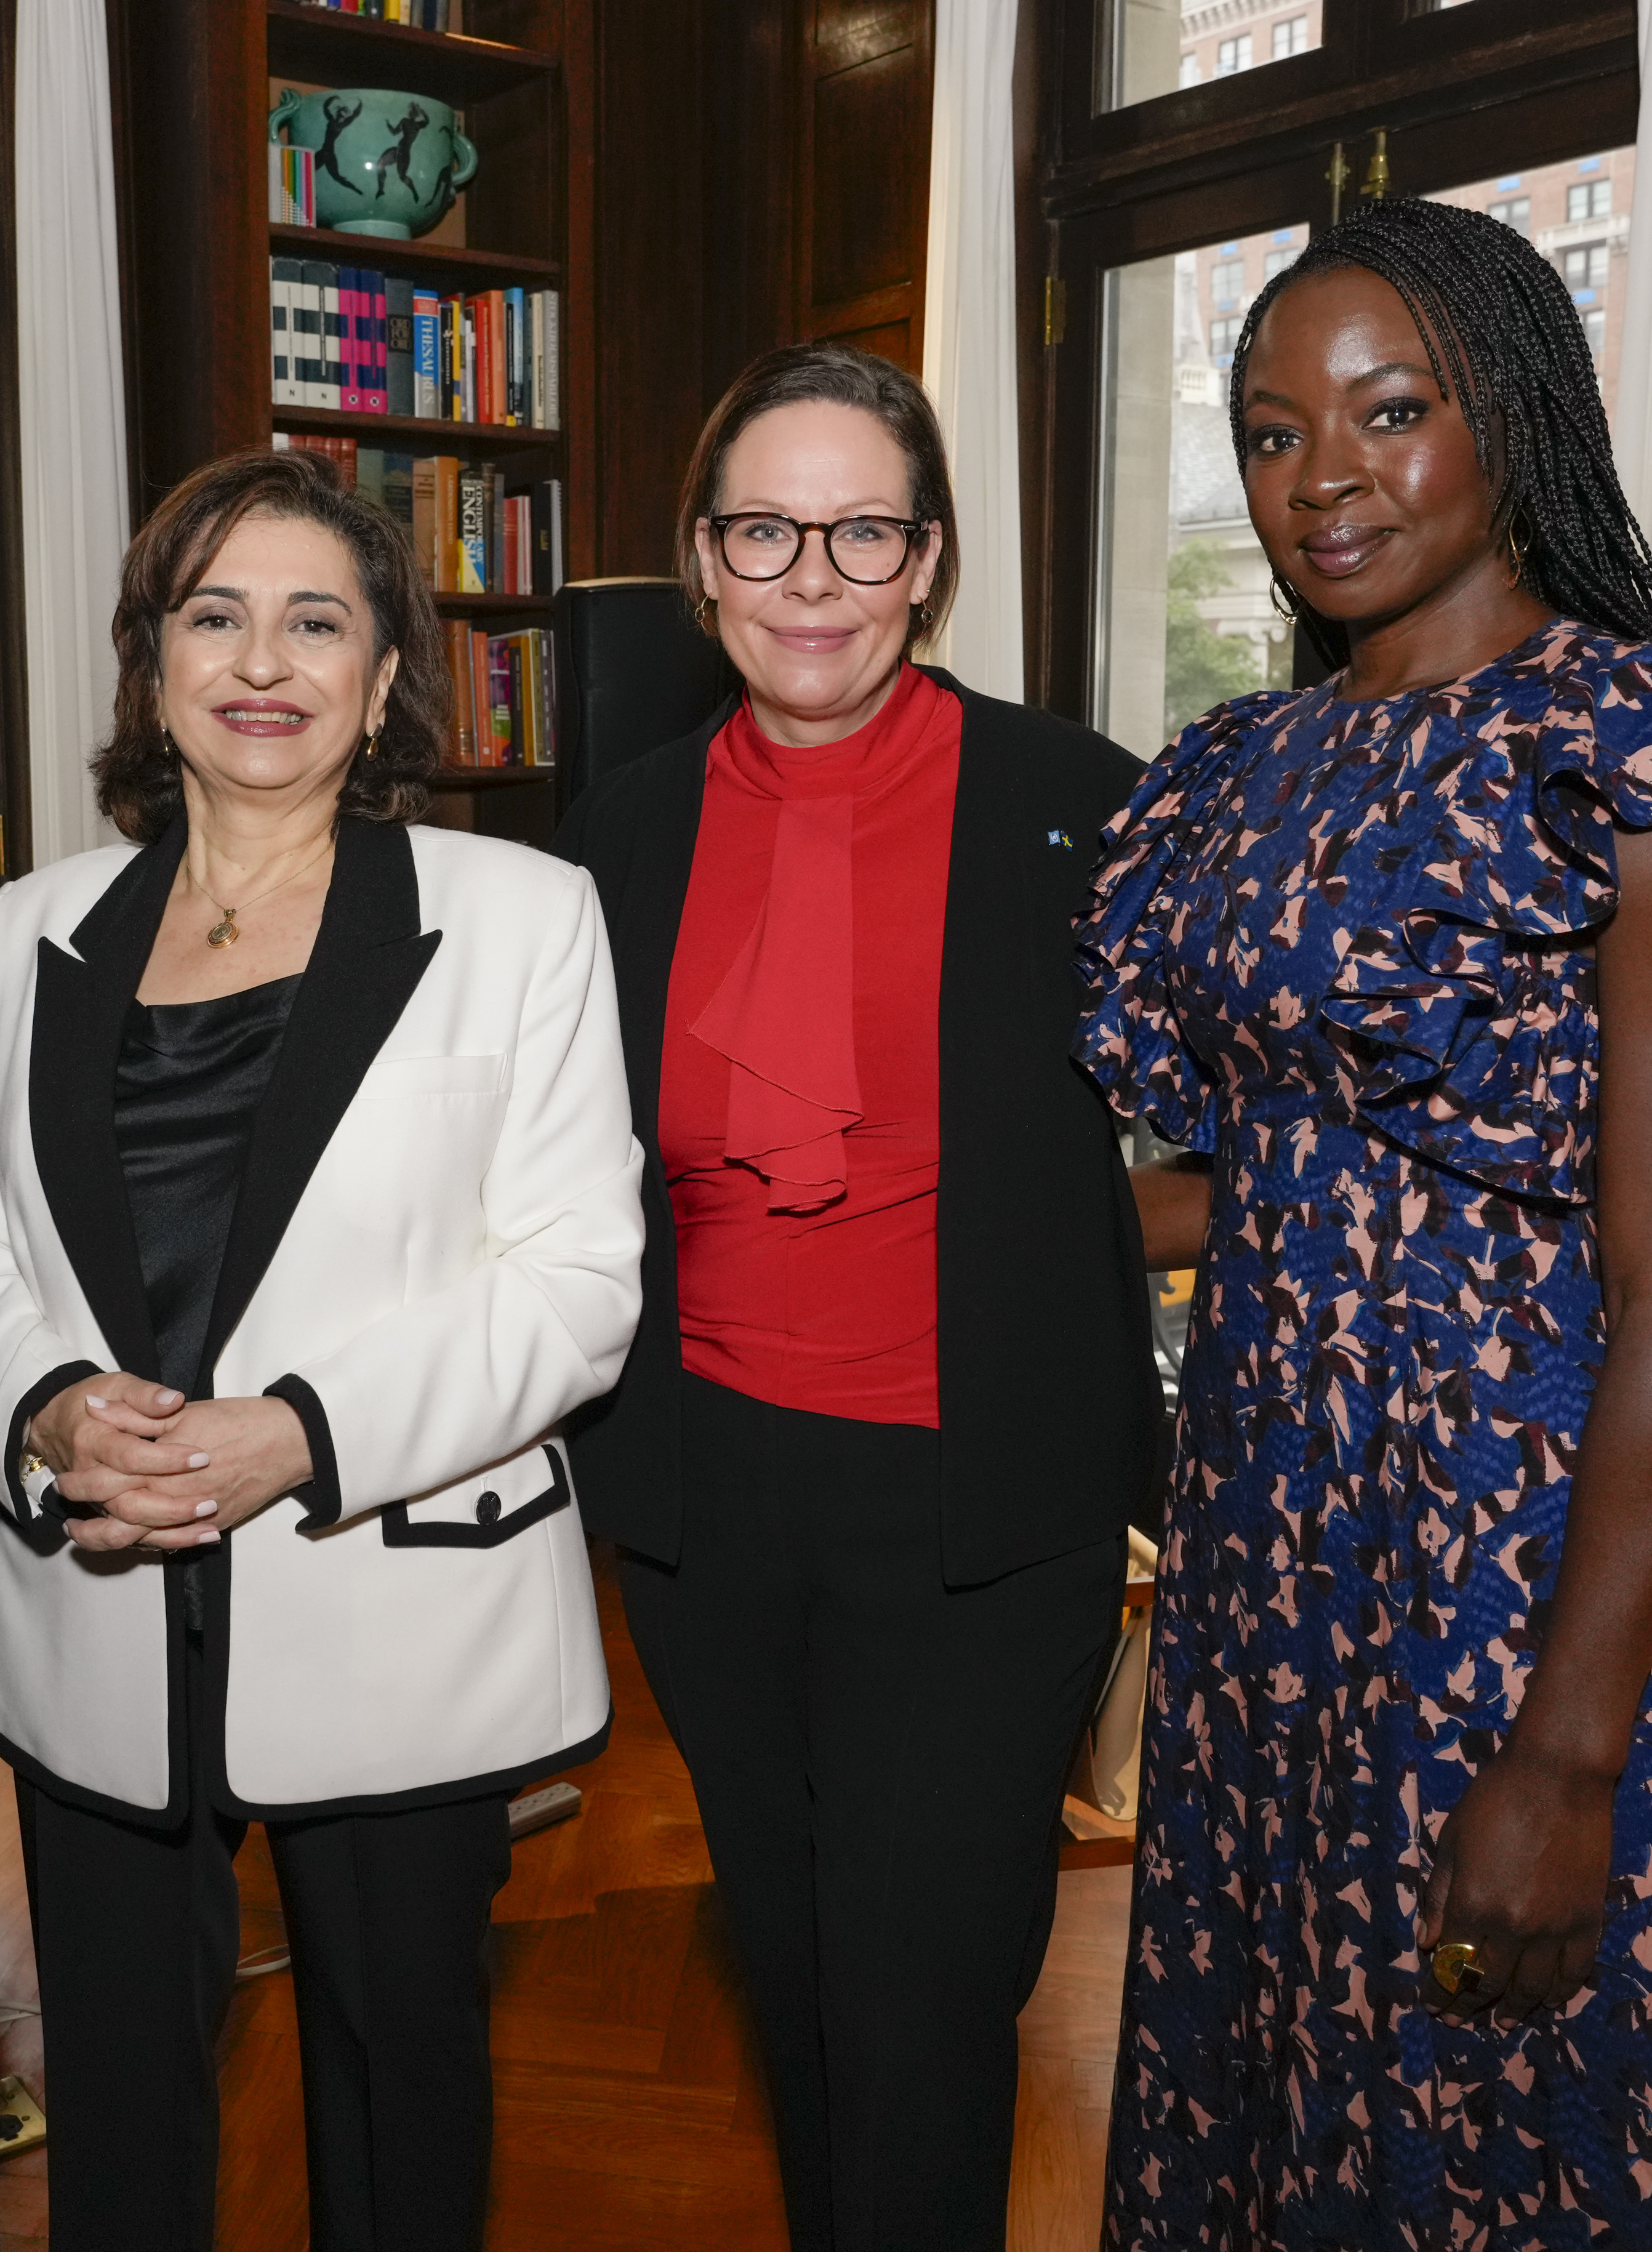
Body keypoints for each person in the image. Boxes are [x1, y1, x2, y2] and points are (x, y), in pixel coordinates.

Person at [1077, 195, 1652, 2245]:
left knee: (1507, 2132)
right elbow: (1254, 1181)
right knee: (1277, 2093)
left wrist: (1567, 1754)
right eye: (1271, 433)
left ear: (1511, 415)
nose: (1321, 477)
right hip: (1265, 1561)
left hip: (1518, 1573)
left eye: (1390, 410)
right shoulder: (1237, 770)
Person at [0, 447, 641, 2252]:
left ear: (383, 678)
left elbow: (578, 1281)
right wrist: (45, 1407)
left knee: (403, 2096)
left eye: (316, 622)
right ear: (151, 663)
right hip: (96, 1596)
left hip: (396, 1600)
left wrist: (299, 1433)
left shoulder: (521, 916)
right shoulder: (24, 932)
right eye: (215, 616)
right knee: (119, 2112)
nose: (262, 662)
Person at [550, 342, 1166, 2252]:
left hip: (981, 1501)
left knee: (922, 1991)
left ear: (928, 559)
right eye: (764, 530)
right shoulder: (620, 829)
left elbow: (1247, 1115)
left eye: (861, 531)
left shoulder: (1083, 804)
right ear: (701, 560)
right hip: (704, 1500)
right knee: (798, 1962)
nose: (810, 576)